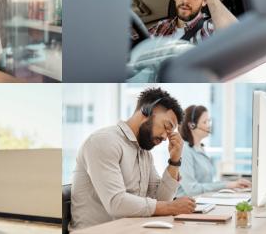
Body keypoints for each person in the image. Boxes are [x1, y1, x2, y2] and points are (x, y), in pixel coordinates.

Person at [70, 88, 196, 231]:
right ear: (146, 110)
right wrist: (172, 207)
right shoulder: (104, 141)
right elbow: (116, 203)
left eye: (170, 132)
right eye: (166, 126)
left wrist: (174, 160)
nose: (166, 137)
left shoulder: (144, 153)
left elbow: (161, 201)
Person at [177, 105, 251, 197]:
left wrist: (232, 184)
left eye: (209, 121)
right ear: (192, 125)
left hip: (201, 202)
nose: (208, 125)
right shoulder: (185, 150)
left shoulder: (200, 149)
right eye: (205, 122)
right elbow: (192, 189)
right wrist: (227, 185)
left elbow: (207, 184)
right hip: (184, 205)